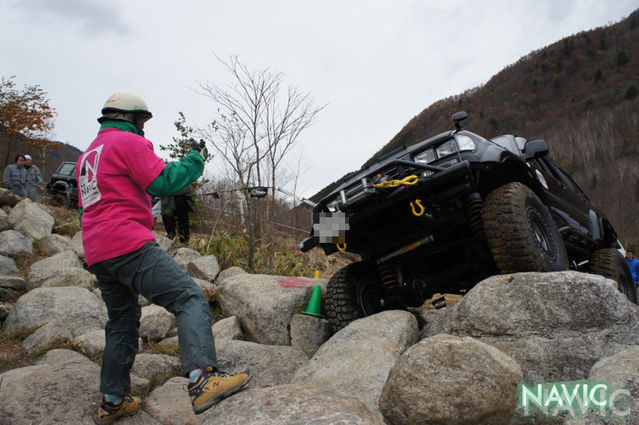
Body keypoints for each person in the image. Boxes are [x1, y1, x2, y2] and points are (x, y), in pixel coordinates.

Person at [77, 91, 251, 425]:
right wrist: (194, 159)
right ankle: (203, 378)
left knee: (122, 323)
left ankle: (113, 399)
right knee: (189, 298)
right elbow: (165, 180)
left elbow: (88, 205)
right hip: (128, 242)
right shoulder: (127, 143)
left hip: (97, 249)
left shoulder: (89, 156)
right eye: (142, 120)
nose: (144, 127)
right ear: (130, 118)